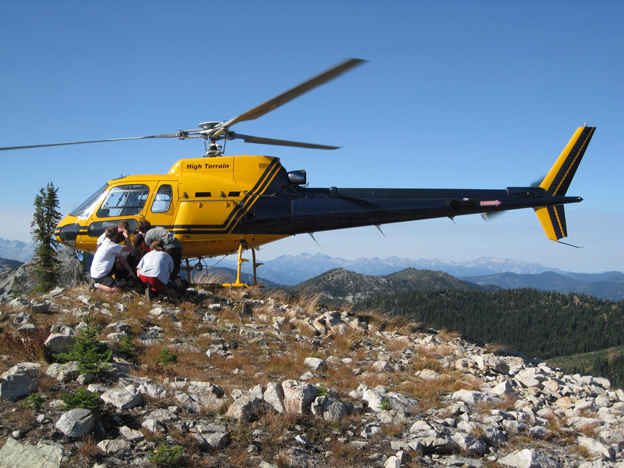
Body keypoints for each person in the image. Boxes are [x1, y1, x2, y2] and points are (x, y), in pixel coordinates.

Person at [136, 220, 183, 287]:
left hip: (168, 247)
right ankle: (182, 290)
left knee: (163, 269)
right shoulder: (157, 228)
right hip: (178, 246)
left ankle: (163, 289)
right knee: (173, 272)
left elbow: (152, 253)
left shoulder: (147, 237)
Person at [90, 226, 136, 293]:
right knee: (116, 290)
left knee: (120, 264)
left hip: (101, 270)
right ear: (115, 236)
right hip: (100, 275)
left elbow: (122, 260)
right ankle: (95, 285)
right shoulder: (111, 246)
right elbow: (129, 247)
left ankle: (117, 279)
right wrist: (126, 236)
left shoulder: (106, 242)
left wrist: (130, 271)